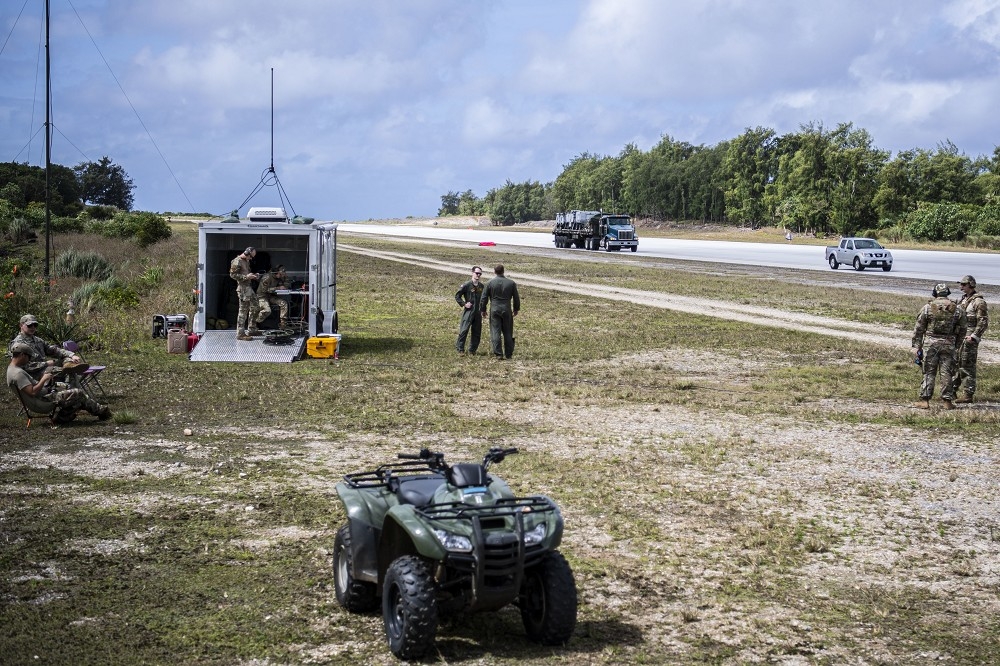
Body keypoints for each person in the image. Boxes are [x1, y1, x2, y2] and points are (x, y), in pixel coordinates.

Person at [7, 342, 110, 423]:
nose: (29, 360)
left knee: (70, 389)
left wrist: (47, 381)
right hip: (42, 402)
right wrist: (43, 379)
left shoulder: (13, 369)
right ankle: (101, 411)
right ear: (21, 355)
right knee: (78, 393)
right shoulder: (17, 374)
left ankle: (63, 418)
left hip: (44, 395)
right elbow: (32, 392)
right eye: (29, 357)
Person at [911, 283, 967, 409]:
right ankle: (947, 402)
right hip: (949, 344)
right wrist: (956, 344)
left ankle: (925, 400)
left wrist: (917, 346)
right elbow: (963, 329)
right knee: (947, 372)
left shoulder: (927, 308)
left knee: (929, 372)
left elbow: (919, 328)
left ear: (935, 293)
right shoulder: (957, 309)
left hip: (931, 345)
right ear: (947, 293)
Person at [8, 313, 87, 381]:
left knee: (67, 360)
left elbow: (53, 350)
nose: (33, 327)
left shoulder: (38, 340)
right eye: (29, 325)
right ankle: (74, 394)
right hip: (33, 374)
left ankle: (70, 369)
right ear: (21, 325)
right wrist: (45, 364)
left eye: (35, 325)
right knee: (68, 372)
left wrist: (71, 355)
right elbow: (21, 366)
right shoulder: (17, 344)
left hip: (45, 368)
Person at [953, 275, 989, 403]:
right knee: (956, 363)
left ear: (970, 285)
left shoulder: (978, 302)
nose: (961, 287)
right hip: (960, 337)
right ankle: (952, 391)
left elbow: (983, 321)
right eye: (961, 284)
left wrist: (974, 336)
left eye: (963, 285)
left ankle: (968, 395)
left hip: (969, 338)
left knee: (967, 365)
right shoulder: (963, 300)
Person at [480, 264, 520, 360]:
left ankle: (498, 353)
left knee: (495, 331)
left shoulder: (490, 283)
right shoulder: (511, 283)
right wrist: (516, 309)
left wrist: (483, 309)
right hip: (506, 308)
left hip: (494, 308)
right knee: (508, 332)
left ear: (494, 271)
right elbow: (516, 298)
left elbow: (484, 298)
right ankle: (508, 353)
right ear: (503, 271)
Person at [230, 247, 260, 341]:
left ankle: (252, 328)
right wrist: (246, 277)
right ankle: (240, 333)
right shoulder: (237, 261)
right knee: (243, 311)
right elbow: (233, 275)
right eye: (250, 256)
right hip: (243, 289)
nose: (251, 258)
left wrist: (253, 276)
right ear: (247, 253)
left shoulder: (246, 261)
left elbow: (246, 273)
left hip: (248, 288)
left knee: (255, 307)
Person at [455, 266, 484, 355]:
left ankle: (472, 350)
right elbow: (457, 296)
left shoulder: (481, 286)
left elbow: (484, 299)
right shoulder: (466, 285)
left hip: (478, 312)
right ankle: (460, 349)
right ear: (472, 273)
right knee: (464, 330)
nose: (478, 275)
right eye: (476, 273)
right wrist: (464, 304)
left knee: (476, 332)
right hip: (469, 311)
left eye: (480, 274)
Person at [256, 264, 290, 330]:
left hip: (271, 296)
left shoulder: (279, 277)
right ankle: (255, 322)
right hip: (262, 296)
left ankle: (283, 324)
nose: (281, 276)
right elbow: (264, 290)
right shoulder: (267, 277)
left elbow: (286, 284)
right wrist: (278, 288)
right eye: (280, 274)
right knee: (267, 310)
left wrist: (285, 279)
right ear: (276, 273)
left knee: (283, 303)